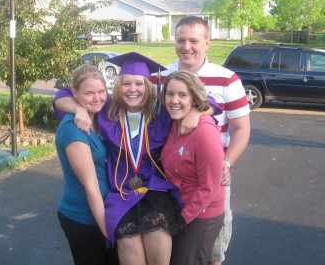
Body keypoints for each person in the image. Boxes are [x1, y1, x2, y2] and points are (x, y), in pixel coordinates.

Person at [54, 52, 213, 265]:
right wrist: (78, 108)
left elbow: (208, 101)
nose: (132, 89)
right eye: (126, 83)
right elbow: (62, 95)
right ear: (118, 85)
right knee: (128, 242)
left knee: (157, 233)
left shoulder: (162, 112)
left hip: (155, 188)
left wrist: (196, 113)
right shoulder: (107, 109)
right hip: (120, 190)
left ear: (149, 86)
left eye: (139, 83)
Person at [152, 16, 251, 265]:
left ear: (207, 43)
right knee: (181, 249)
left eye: (194, 41)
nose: (187, 47)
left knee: (212, 251)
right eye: (181, 40)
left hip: (212, 172)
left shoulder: (228, 79)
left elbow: (241, 129)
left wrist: (226, 164)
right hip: (173, 174)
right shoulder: (161, 77)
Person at [54, 64, 118, 265]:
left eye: (101, 91)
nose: (97, 98)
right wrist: (107, 232)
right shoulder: (74, 131)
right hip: (83, 217)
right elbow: (90, 186)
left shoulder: (97, 118)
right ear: (75, 94)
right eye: (89, 93)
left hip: (101, 211)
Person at [160, 70, 225, 265]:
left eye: (182, 95)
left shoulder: (205, 133)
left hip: (201, 214)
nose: (174, 100)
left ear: (194, 99)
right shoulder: (174, 124)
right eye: (170, 94)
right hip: (181, 207)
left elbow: (209, 188)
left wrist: (181, 219)